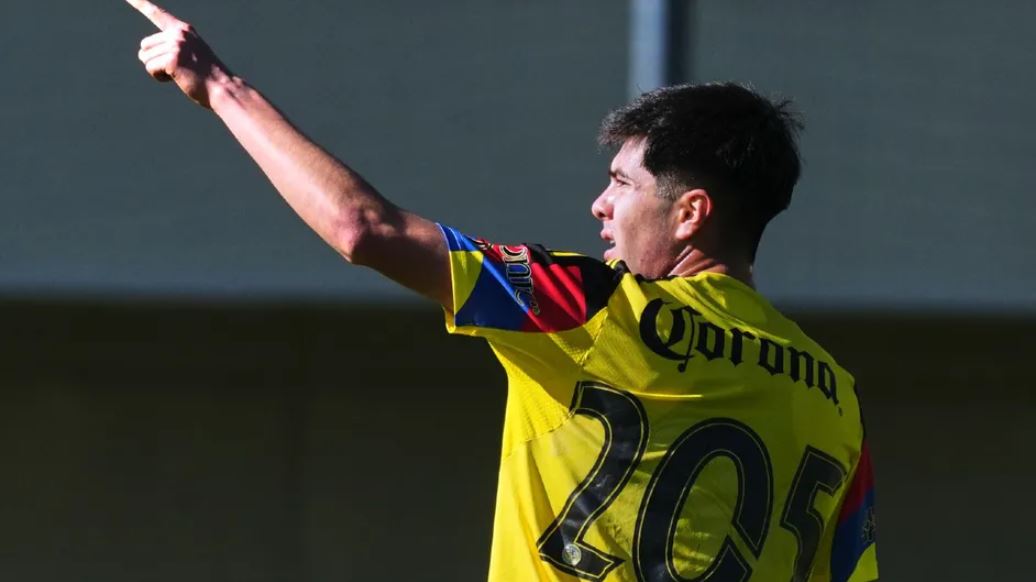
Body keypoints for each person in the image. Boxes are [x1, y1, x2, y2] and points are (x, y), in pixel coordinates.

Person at [123, 1, 878, 580]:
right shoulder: (836, 397)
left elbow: (365, 229)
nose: (600, 206)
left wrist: (220, 86)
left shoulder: (593, 306)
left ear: (690, 214)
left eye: (621, 183)